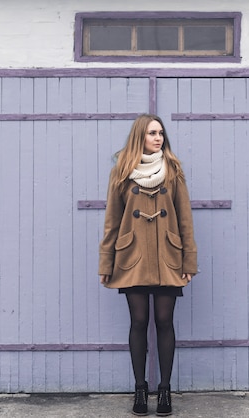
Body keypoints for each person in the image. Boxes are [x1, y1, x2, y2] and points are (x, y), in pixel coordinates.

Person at [98, 114, 198, 416]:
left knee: (165, 321)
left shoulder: (173, 171)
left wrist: (188, 260)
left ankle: (164, 390)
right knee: (139, 322)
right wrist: (107, 262)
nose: (159, 138)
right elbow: (112, 222)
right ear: (140, 136)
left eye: (161, 133)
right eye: (152, 133)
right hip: (133, 257)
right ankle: (140, 390)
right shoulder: (121, 172)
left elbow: (185, 219)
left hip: (168, 256)